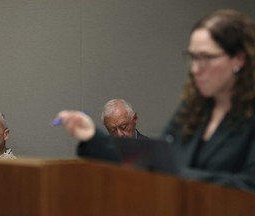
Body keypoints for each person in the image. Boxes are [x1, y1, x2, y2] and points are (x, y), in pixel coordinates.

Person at [53, 9, 255, 191]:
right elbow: (148, 164)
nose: (195, 69)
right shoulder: (192, 109)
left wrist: (175, 175)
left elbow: (248, 186)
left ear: (238, 59)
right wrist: (91, 136)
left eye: (206, 58)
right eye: (192, 57)